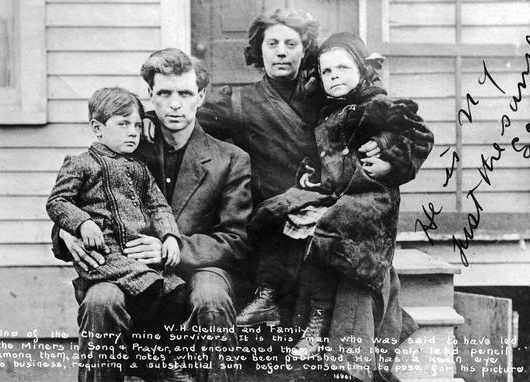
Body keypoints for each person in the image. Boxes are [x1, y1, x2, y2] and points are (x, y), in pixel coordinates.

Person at [194, 9, 430, 381]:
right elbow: (185, 114)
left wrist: (387, 153)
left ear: (306, 51)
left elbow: (402, 133)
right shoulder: (237, 103)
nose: (282, 52)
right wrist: (143, 118)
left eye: (292, 44)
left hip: (345, 216)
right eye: (272, 44)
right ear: (259, 50)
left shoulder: (327, 94)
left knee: (352, 279)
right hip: (280, 228)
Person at [52, 48, 252, 382]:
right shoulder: (125, 145)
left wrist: (171, 249)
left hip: (196, 268)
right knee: (100, 300)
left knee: (210, 298)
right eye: (164, 93)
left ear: (200, 96)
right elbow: (71, 200)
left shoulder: (228, 159)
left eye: (185, 93)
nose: (175, 104)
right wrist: (68, 233)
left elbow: (235, 240)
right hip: (124, 267)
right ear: (150, 95)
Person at [251, 32, 434, 364]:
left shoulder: (377, 104)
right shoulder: (328, 113)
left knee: (329, 226)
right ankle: (272, 295)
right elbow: (327, 159)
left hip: (371, 197)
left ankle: (319, 321)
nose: (334, 77)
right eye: (327, 72)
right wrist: (311, 174)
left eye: (342, 69)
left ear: (362, 71)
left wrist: (389, 157)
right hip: (338, 193)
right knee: (285, 213)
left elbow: (420, 136)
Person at [46, 87, 184, 301]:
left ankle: (164, 297)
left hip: (136, 249)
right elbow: (57, 201)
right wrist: (82, 223)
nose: (133, 132)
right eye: (123, 124)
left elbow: (159, 207)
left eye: (137, 125)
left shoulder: (140, 168)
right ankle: (154, 294)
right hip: (103, 251)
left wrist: (170, 237)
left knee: (172, 286)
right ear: (97, 128)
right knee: (146, 281)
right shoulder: (80, 164)